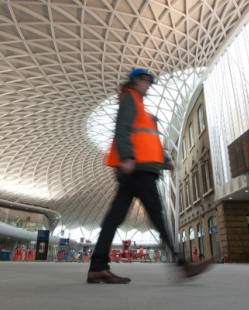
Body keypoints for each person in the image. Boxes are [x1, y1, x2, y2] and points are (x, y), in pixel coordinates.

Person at [86, 68, 212, 284]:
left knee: (115, 218)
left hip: (140, 168)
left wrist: (165, 161)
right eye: (145, 80)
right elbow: (122, 129)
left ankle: (98, 267)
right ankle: (183, 266)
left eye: (149, 82)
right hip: (137, 168)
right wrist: (127, 157)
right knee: (156, 216)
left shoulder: (141, 107)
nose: (148, 85)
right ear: (136, 80)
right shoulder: (130, 99)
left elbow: (148, 139)